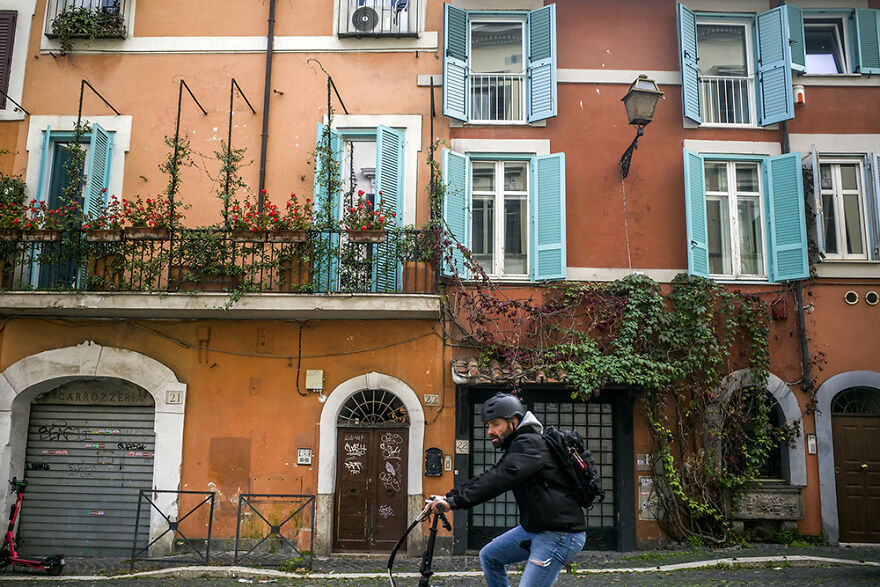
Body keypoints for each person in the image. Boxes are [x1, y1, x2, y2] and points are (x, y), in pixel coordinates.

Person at [427, 392, 586, 587]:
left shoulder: (530, 445)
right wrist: (449, 496)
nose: (489, 431)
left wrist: (453, 501)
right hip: (535, 529)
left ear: (515, 422)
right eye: (488, 425)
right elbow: (493, 474)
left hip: (560, 535)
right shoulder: (519, 446)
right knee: (490, 556)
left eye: (495, 424)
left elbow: (498, 479)